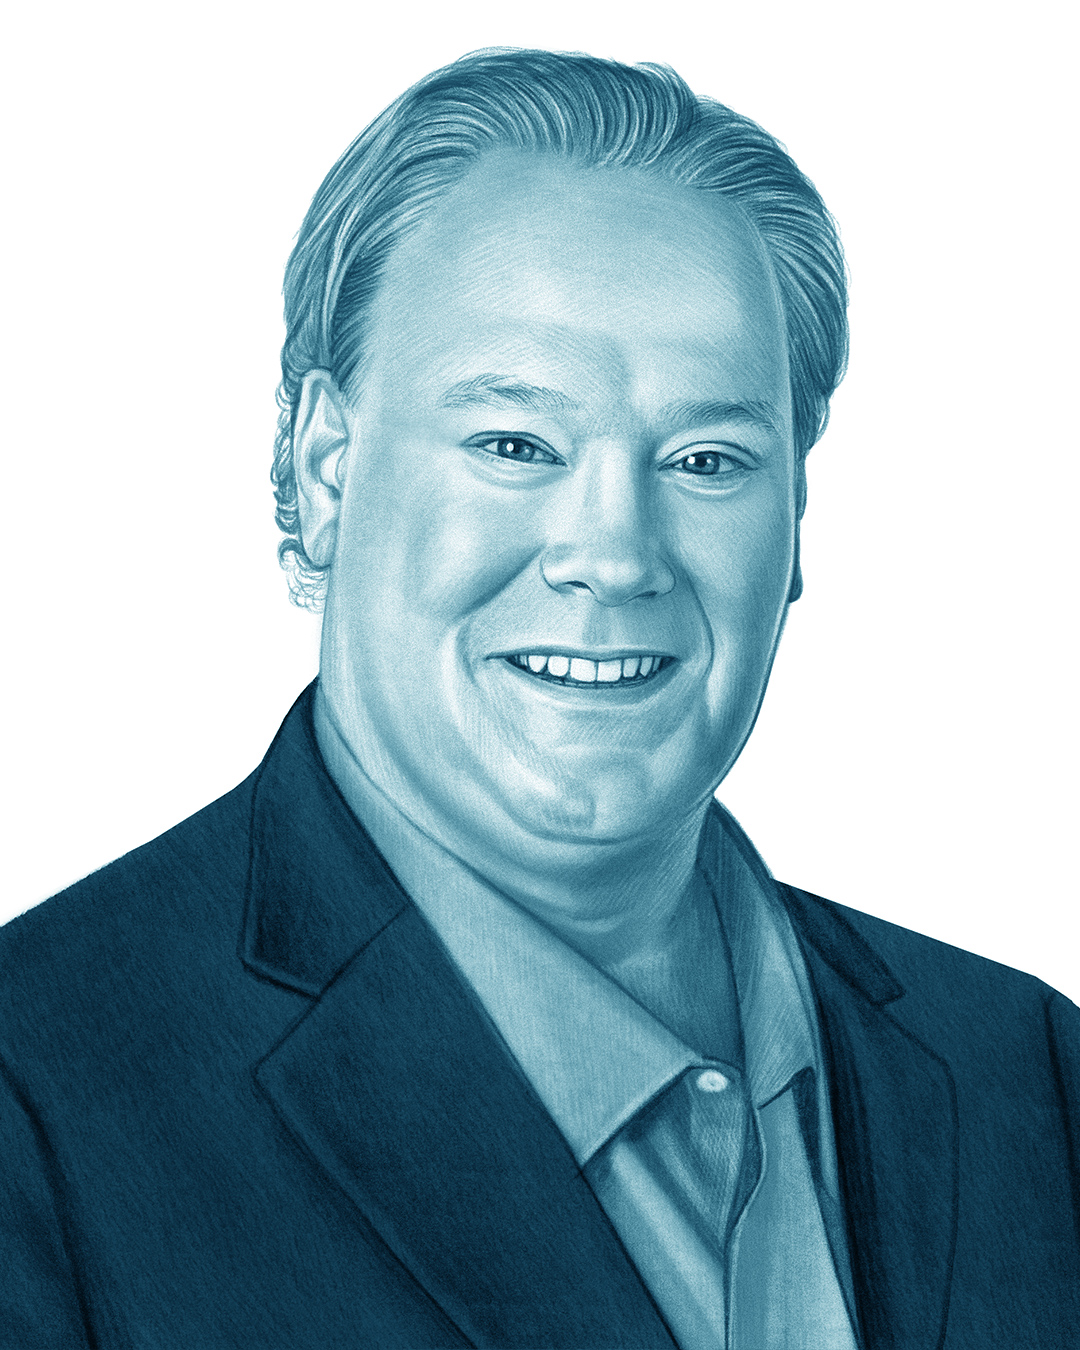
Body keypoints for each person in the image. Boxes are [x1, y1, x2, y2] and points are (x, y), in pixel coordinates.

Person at [0, 48, 1076, 1350]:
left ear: (797, 525)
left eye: (707, 457)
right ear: (327, 470)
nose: (615, 552)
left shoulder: (1034, 1074)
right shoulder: (37, 1099)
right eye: (516, 443)